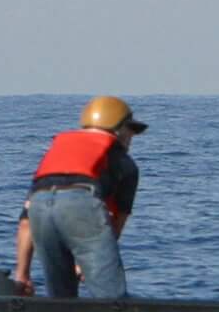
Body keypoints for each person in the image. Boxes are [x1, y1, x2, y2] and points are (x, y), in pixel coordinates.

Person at [11, 95, 145, 299]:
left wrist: (22, 275)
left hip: (40, 206)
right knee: (112, 300)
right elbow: (116, 223)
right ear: (118, 129)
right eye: (130, 131)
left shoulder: (55, 156)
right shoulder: (124, 163)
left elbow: (25, 224)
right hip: (81, 204)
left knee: (61, 300)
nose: (131, 138)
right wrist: (85, 259)